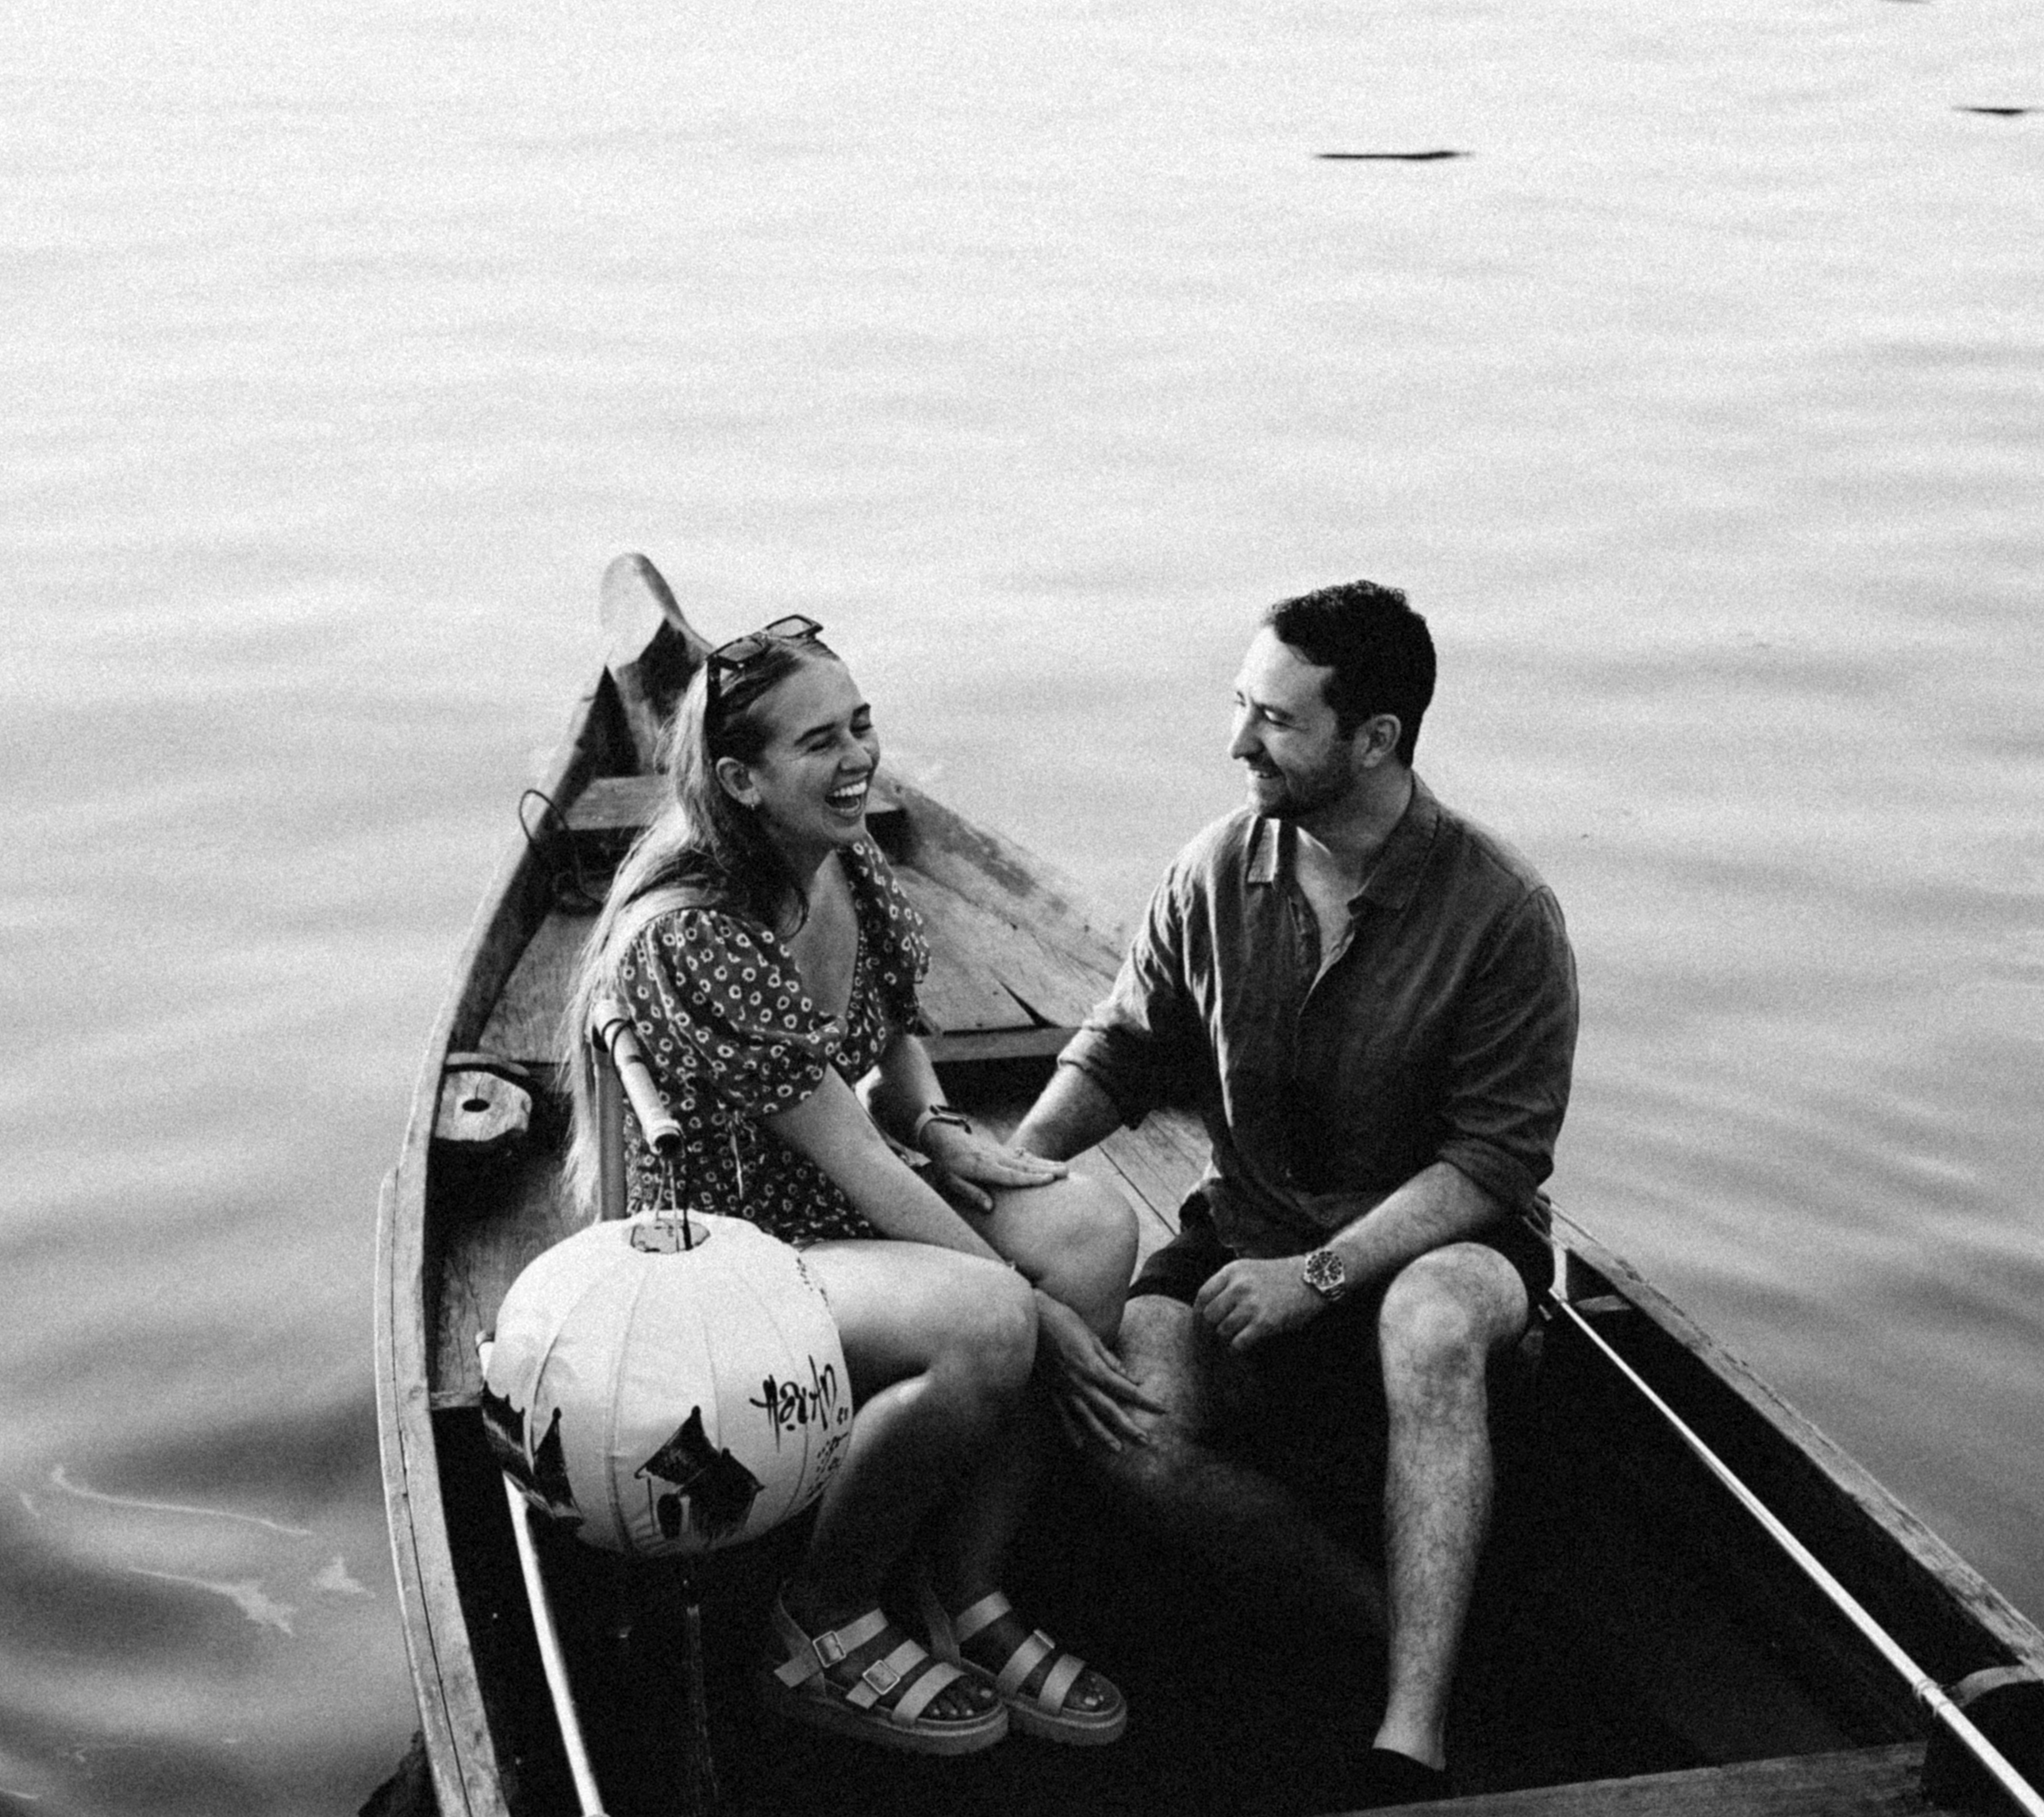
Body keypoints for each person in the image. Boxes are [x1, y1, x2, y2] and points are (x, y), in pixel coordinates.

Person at [1011, 581, 1579, 1806]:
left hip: (1443, 1253)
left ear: (1375, 738)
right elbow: (1123, 1050)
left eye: (1275, 718)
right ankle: (1376, 1619)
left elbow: (1491, 1165)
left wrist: (1318, 1276)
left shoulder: (1505, 914)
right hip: (1246, 1235)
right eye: (1239, 706)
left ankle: (1412, 1731)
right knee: (1128, 1426)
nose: (1238, 742)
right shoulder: (1214, 868)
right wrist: (1012, 1171)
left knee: (1426, 1325)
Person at [569, 614, 1161, 1756]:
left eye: (861, 727)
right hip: (726, 1247)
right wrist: (1027, 1307)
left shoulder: (841, 856)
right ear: (740, 780)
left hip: (832, 1207)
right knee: (991, 1317)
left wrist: (943, 1120)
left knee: (1089, 1229)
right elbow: (856, 1157)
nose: (857, 762)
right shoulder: (694, 935)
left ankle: (967, 1587)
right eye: (818, 744)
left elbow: (890, 1049)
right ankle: (822, 1618)